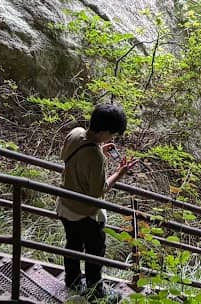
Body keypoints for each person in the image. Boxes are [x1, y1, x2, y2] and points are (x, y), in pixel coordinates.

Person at [58, 103, 129, 298]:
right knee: (94, 251)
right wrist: (119, 173)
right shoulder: (95, 156)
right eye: (113, 134)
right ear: (106, 131)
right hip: (85, 214)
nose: (112, 138)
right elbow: (99, 191)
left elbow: (70, 157)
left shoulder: (76, 133)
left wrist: (99, 147)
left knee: (72, 244)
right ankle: (96, 291)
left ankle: (72, 281)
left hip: (65, 205)